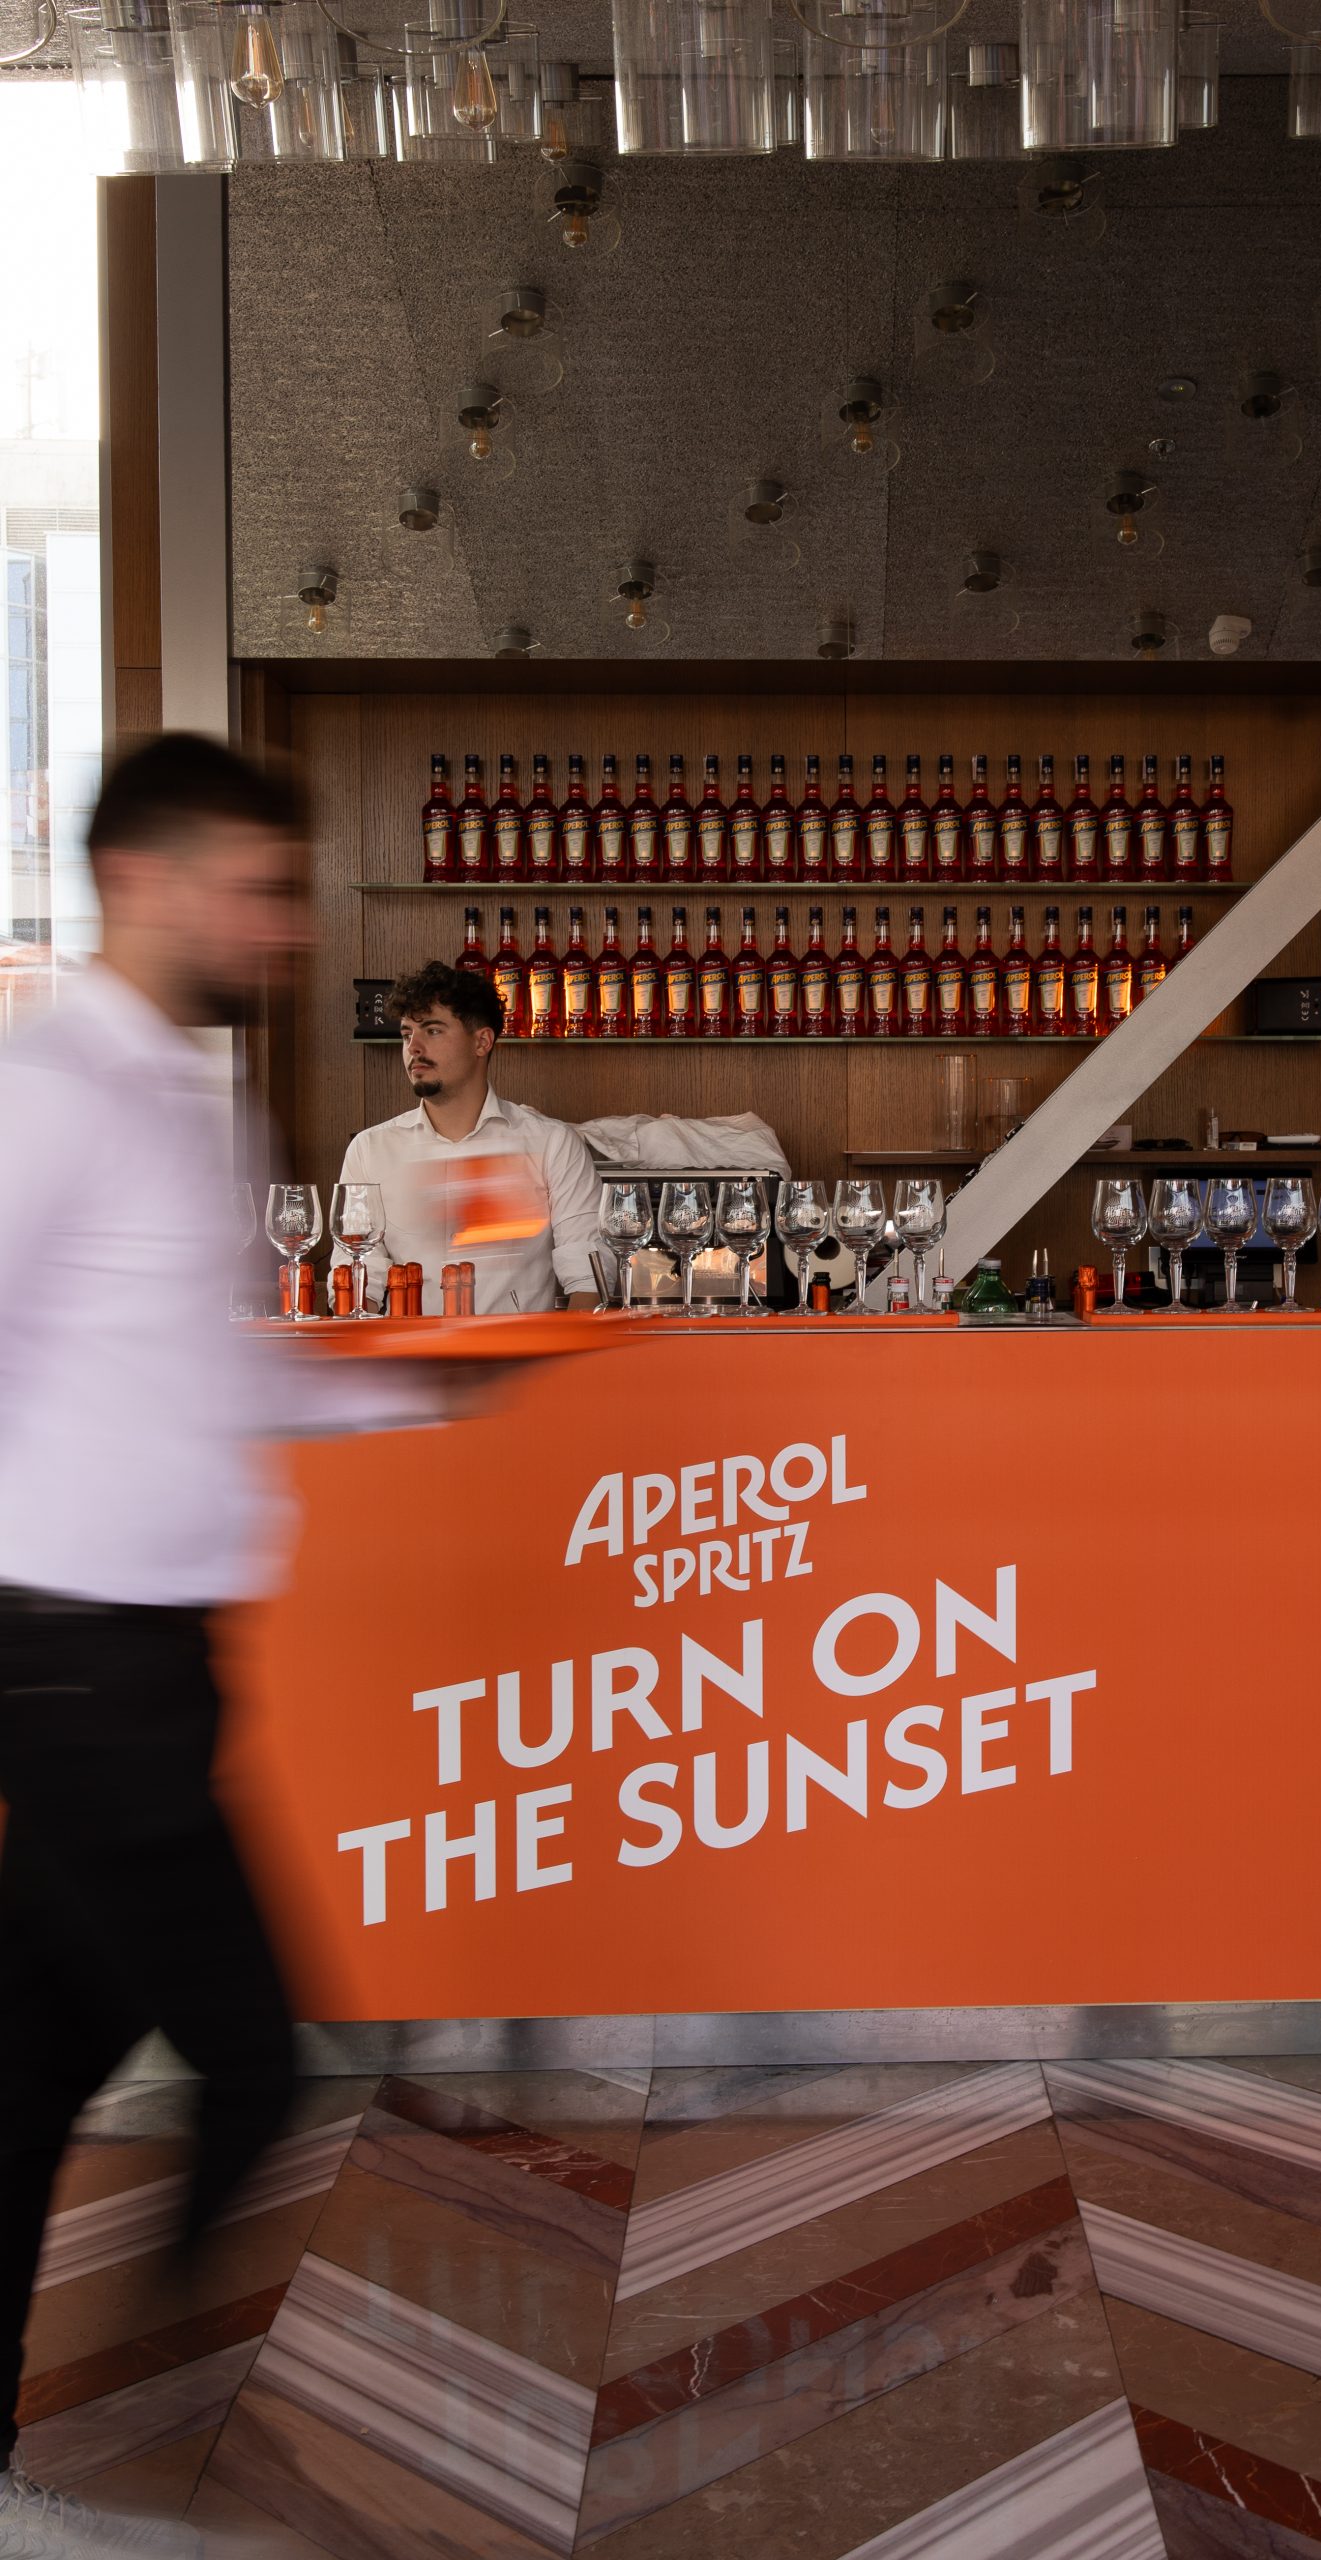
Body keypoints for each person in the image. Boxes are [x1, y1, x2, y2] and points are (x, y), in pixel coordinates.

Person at [0, 736, 456, 2558]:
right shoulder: (52, 1092)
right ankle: (144, 2449)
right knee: (253, 2063)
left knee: (30, 2082)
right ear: (147, 880)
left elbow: (210, 1377)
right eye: (256, 892)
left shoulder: (188, 1103)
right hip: (74, 1670)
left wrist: (420, 1396)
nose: (284, 930)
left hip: (155, 1668)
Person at [332, 961, 601, 1313]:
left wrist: (565, 1350)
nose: (413, 1047)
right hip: (410, 1347)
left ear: (482, 1042)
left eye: (432, 1030)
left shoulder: (553, 1143)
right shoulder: (369, 1149)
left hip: (519, 1347)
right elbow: (356, 1275)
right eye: (407, 1033)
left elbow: (588, 1277)